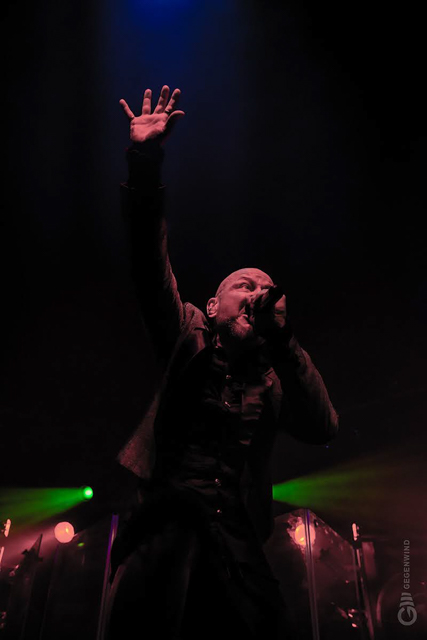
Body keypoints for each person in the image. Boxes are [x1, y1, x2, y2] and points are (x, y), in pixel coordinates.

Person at [105, 85, 339, 640]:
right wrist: (145, 160)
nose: (256, 293)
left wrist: (284, 341)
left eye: (264, 289)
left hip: (237, 542)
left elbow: (323, 427)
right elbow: (147, 260)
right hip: (166, 528)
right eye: (243, 285)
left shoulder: (275, 375)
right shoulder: (187, 332)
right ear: (213, 306)